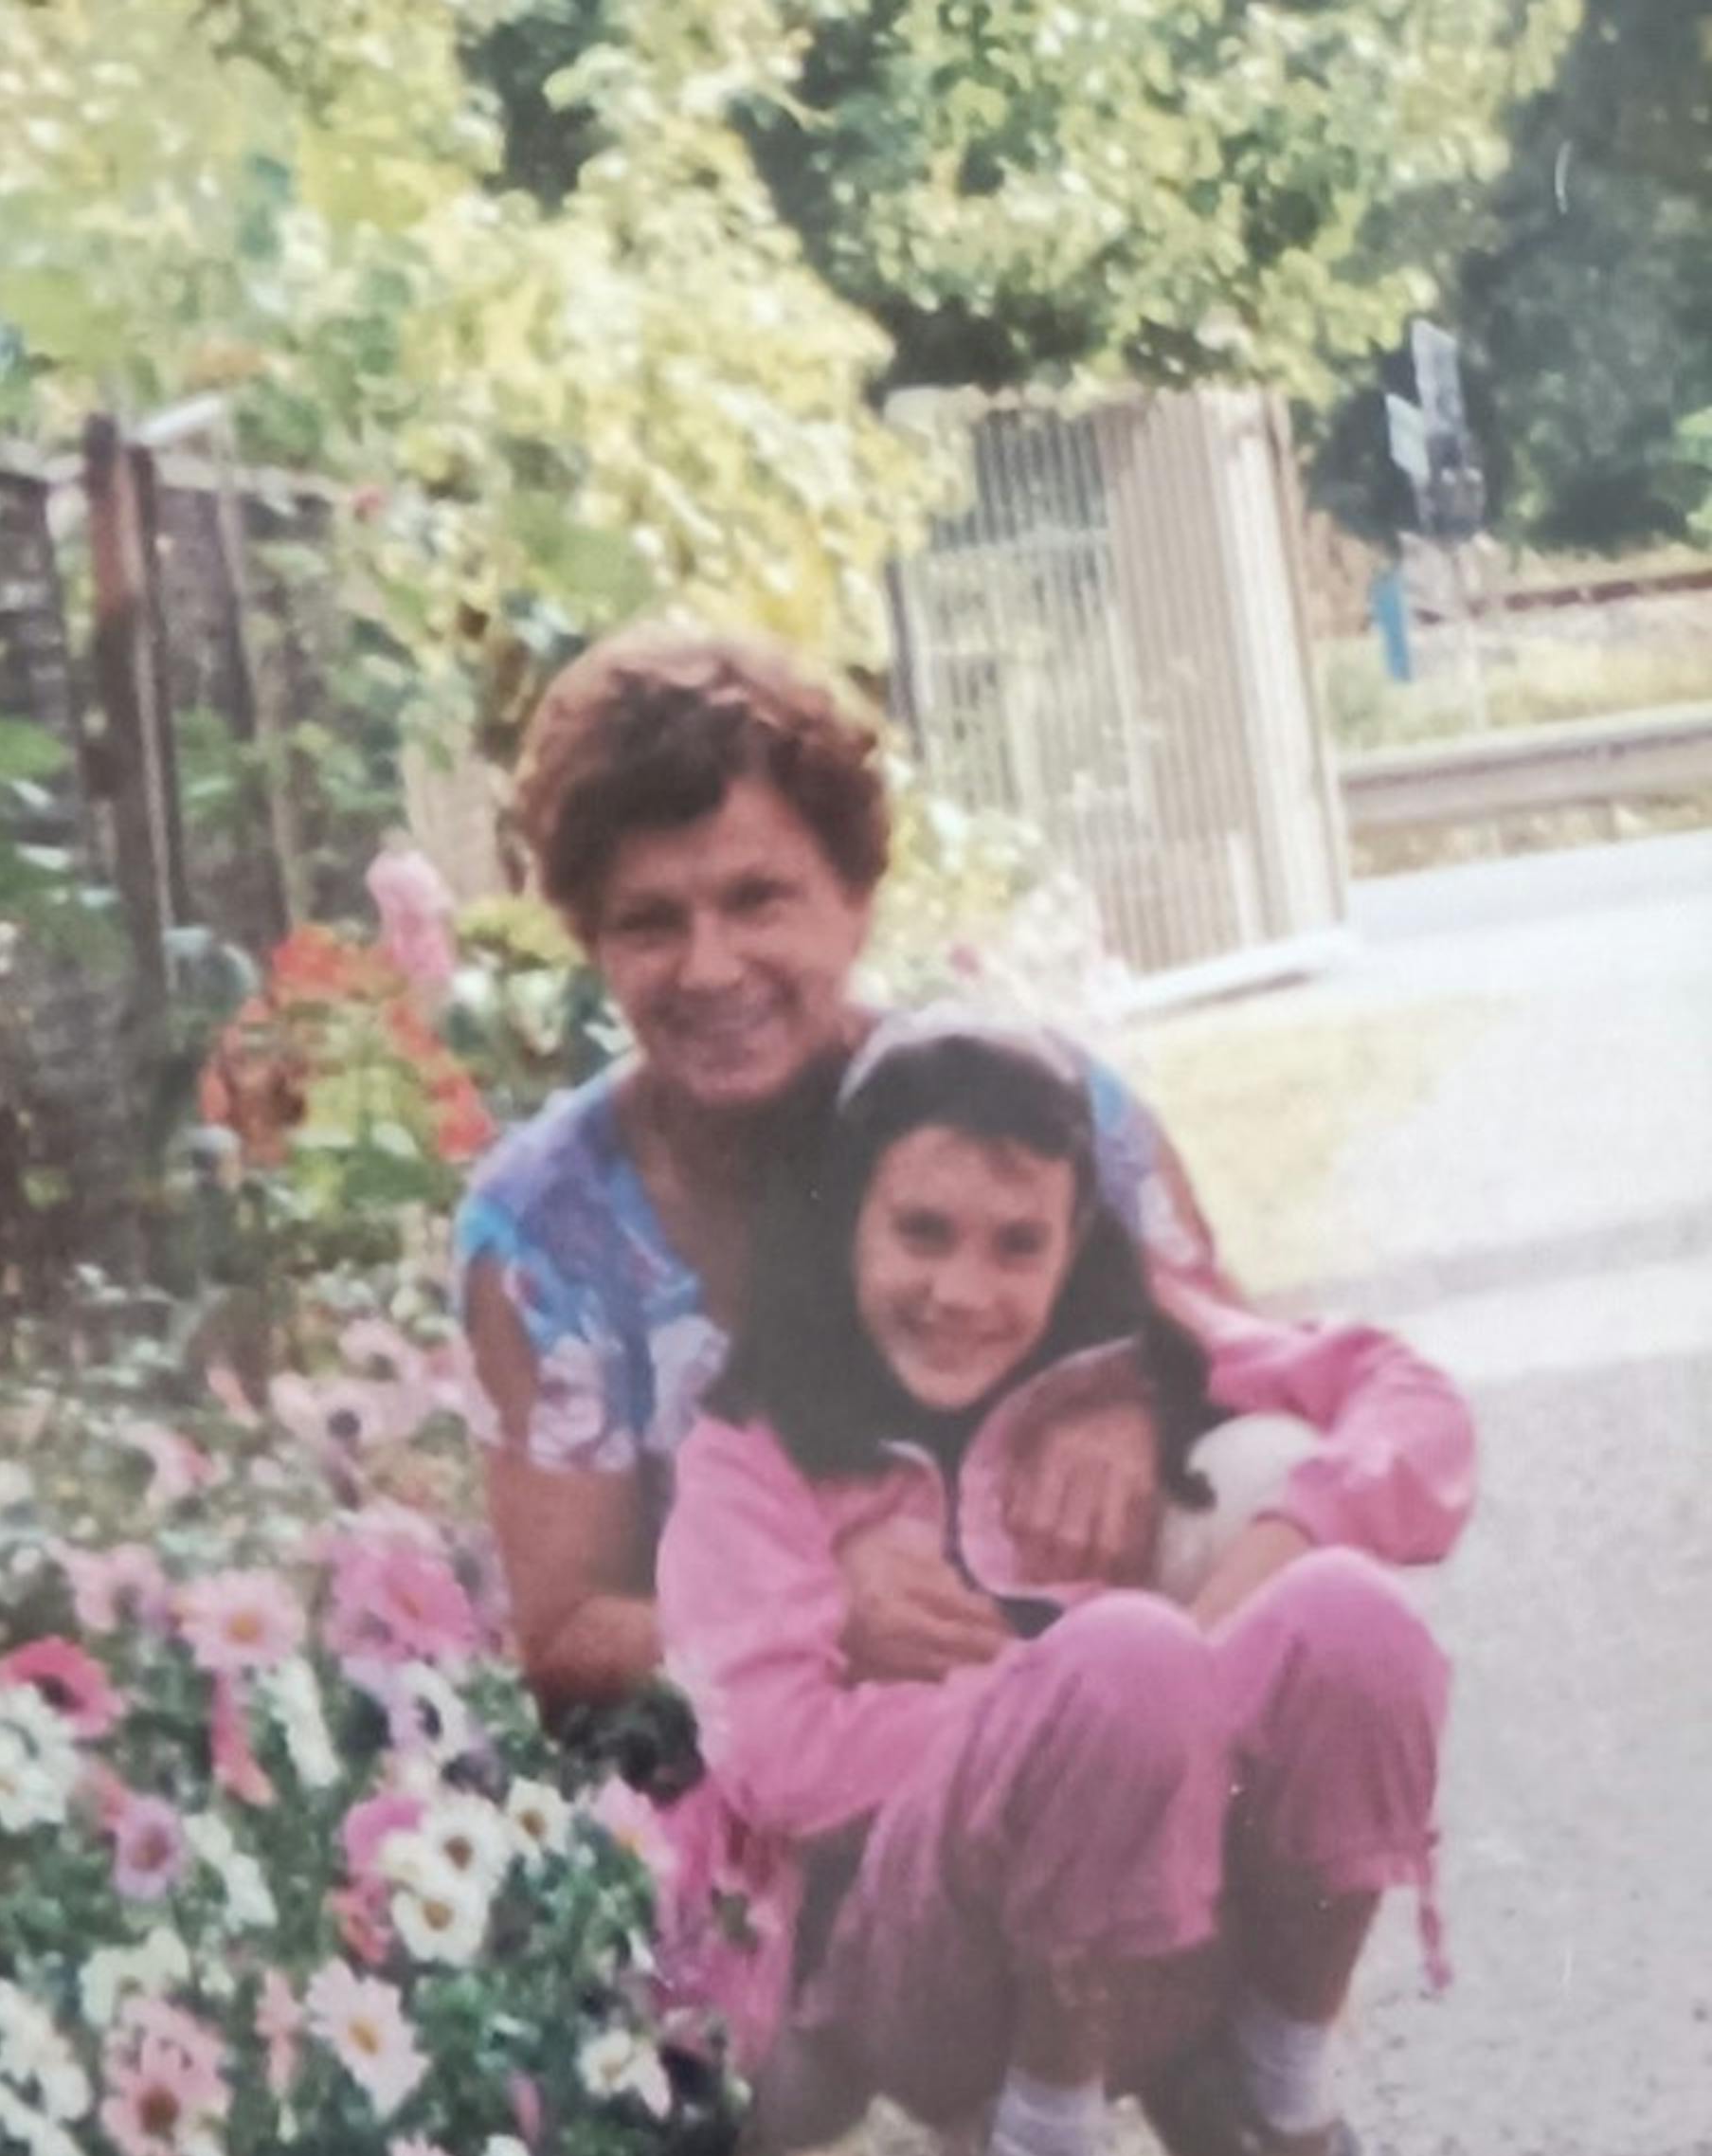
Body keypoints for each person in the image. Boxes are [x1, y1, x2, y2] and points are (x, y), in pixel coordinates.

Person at [654, 1017, 1472, 2156]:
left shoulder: (1126, 1361)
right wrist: (1070, 1708)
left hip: (1177, 1912)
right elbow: (781, 1755)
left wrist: (1280, 1545)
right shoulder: (756, 1446)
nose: (964, 1289)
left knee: (1353, 1621)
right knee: (1127, 1665)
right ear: (841, 1215)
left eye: (1015, 1245)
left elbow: (1413, 1403)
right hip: (921, 1978)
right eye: (920, 1232)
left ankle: (1278, 2130)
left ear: (1075, 1237)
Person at [454, 627, 1227, 1718]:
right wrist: (808, 1608)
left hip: (1106, 1709)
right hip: (799, 1784)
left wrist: (1137, 1398)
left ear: (855, 901)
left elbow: (1264, 1382)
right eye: (651, 923)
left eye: (759, 900)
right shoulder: (546, 1230)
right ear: (591, 942)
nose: (711, 967)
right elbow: (570, 1628)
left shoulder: (1046, 1109)